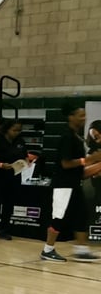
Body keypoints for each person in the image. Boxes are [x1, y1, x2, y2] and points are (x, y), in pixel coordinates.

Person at [40, 104, 101, 262]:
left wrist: (93, 166)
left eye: (84, 115)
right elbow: (66, 164)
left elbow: (80, 169)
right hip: (63, 185)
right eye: (80, 116)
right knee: (58, 217)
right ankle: (48, 249)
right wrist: (89, 160)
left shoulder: (76, 137)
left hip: (74, 184)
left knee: (81, 215)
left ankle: (81, 249)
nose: (84, 118)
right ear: (71, 117)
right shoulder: (66, 136)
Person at [0, 119, 26, 240]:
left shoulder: (20, 141)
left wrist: (25, 163)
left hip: (14, 175)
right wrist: (0, 165)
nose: (17, 132)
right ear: (7, 129)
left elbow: (25, 156)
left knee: (9, 204)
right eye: (14, 130)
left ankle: (4, 229)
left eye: (19, 130)